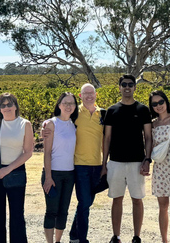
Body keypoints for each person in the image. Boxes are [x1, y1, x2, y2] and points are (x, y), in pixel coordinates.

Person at [102, 74, 153, 243]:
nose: (127, 87)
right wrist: (104, 164)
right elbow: (107, 139)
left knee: (137, 200)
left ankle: (136, 236)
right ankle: (116, 236)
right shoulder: (111, 110)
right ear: (119, 87)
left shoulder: (143, 110)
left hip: (137, 162)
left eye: (130, 84)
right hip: (115, 162)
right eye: (124, 84)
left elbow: (148, 137)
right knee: (117, 199)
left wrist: (147, 159)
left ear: (134, 88)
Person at [0, 93, 34, 243]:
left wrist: (8, 169)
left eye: (9, 104)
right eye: (3, 105)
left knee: (17, 215)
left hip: (16, 171)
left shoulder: (25, 124)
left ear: (15, 106)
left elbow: (28, 152)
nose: (6, 108)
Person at [69, 84, 106, 243]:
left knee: (86, 202)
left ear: (96, 94)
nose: (89, 96)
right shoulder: (74, 112)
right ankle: (82, 239)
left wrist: (106, 163)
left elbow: (107, 139)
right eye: (86, 94)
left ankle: (74, 235)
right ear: (80, 95)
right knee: (84, 202)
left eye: (91, 93)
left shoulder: (103, 114)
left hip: (97, 165)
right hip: (80, 165)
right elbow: (58, 122)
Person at [41, 92, 78, 243]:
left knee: (63, 211)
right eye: (65, 103)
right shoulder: (51, 124)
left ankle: (58, 241)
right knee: (51, 211)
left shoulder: (74, 124)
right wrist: (48, 177)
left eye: (72, 103)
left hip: (70, 174)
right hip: (53, 174)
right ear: (59, 105)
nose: (68, 106)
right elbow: (47, 153)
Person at [149, 90, 170, 243]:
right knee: (162, 206)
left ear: (166, 101)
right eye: (155, 104)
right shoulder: (153, 123)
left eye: (161, 102)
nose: (158, 106)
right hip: (160, 168)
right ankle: (164, 240)